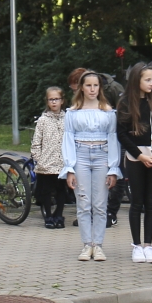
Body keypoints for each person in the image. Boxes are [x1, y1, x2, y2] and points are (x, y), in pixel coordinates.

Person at [63, 71, 122, 262]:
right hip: (80, 155)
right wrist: (70, 168)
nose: (92, 89)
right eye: (88, 85)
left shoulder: (107, 111)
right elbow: (68, 139)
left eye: (95, 85)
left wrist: (113, 168)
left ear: (100, 88)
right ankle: (86, 244)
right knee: (83, 202)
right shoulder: (72, 112)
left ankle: (98, 245)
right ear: (81, 87)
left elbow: (113, 139)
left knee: (99, 204)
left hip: (101, 156)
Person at [119, 63, 152, 262]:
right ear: (137, 80)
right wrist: (139, 155)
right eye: (147, 79)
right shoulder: (126, 103)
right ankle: (136, 245)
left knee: (151, 203)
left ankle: (148, 245)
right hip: (135, 157)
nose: (151, 83)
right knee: (137, 202)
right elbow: (122, 134)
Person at [29, 86, 69, 228]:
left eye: (56, 99)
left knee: (60, 190)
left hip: (63, 162)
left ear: (62, 101)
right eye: (51, 99)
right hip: (46, 162)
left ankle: (59, 214)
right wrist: (38, 159)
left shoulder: (68, 118)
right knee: (46, 190)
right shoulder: (43, 120)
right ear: (47, 102)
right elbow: (36, 141)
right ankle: (48, 215)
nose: (54, 102)